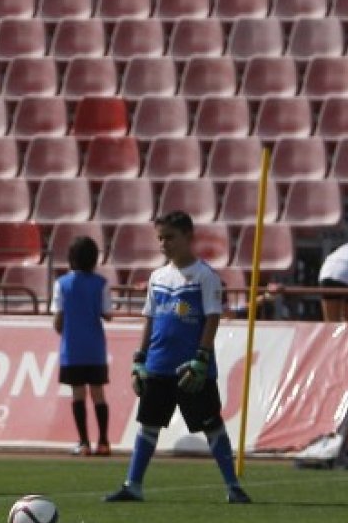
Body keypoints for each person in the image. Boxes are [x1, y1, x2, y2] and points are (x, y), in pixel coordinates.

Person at [105, 211, 251, 504]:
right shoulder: (157, 277)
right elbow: (150, 318)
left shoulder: (204, 276)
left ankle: (233, 486)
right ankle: (133, 484)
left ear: (189, 237)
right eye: (160, 238)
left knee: (211, 424)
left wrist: (202, 357)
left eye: (170, 237)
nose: (164, 244)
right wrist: (139, 359)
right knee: (149, 424)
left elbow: (212, 318)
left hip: (192, 368)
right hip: (159, 363)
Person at [52, 236, 113, 457]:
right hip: (95, 347)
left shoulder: (62, 284)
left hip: (72, 348)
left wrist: (64, 329)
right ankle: (104, 442)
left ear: (71, 259)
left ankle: (84, 443)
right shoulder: (101, 283)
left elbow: (58, 319)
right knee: (98, 393)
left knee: (77, 394)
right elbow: (108, 314)